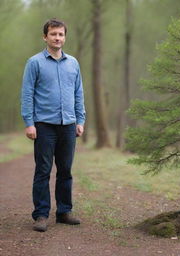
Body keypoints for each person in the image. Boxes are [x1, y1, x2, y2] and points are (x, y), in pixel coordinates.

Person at [21, 19, 86, 232]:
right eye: (53, 34)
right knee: (43, 170)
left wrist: (80, 120)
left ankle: (64, 212)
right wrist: (29, 123)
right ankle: (41, 214)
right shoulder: (35, 62)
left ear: (64, 37)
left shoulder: (73, 63)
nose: (57, 38)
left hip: (68, 124)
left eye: (60, 34)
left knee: (65, 170)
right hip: (44, 125)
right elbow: (27, 94)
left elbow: (78, 93)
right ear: (45, 37)